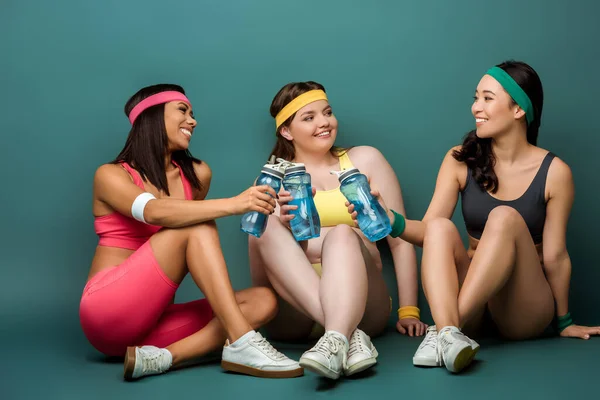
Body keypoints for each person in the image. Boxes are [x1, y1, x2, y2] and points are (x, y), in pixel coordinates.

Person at [350, 60, 600, 374]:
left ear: (518, 110)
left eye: (487, 98)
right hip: (475, 310)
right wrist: (390, 219)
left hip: (522, 307)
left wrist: (564, 322)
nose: (475, 108)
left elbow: (556, 256)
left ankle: (442, 330)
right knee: (440, 227)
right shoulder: (460, 159)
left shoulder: (555, 173)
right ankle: (451, 332)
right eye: (475, 97)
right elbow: (428, 232)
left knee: (504, 217)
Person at [79, 84, 304, 381]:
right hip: (106, 313)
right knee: (195, 225)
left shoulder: (197, 175)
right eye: (183, 111)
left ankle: (164, 358)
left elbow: (191, 240)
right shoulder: (111, 175)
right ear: (153, 118)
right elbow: (154, 211)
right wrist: (235, 203)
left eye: (193, 114)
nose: (193, 121)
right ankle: (242, 341)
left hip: (152, 325)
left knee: (263, 300)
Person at [249, 81, 427, 380]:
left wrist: (409, 310)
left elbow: (399, 240)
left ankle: (334, 338)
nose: (324, 123)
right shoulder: (270, 180)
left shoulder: (365, 160)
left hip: (365, 306)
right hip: (295, 314)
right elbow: (262, 271)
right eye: (309, 118)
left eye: (327, 113)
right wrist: (281, 226)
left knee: (343, 233)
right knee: (265, 222)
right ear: (287, 131)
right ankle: (345, 336)